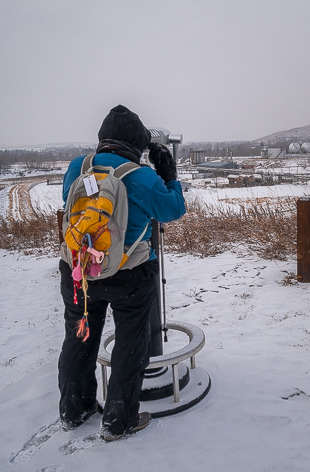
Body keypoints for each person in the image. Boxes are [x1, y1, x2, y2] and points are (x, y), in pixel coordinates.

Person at [58, 105, 185, 441]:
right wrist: (168, 173)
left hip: (80, 270)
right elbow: (173, 209)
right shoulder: (140, 176)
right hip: (129, 273)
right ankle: (118, 421)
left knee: (80, 337)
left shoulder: (78, 167)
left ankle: (74, 409)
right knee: (130, 345)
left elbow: (69, 206)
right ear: (137, 143)